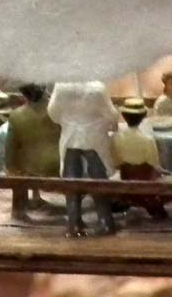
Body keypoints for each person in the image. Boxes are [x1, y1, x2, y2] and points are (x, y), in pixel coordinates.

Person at [47, 81, 119, 237]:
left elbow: (52, 113)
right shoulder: (98, 89)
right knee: (99, 178)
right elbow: (112, 115)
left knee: (71, 179)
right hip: (94, 137)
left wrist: (69, 121)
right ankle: (105, 220)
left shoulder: (61, 86)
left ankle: (73, 222)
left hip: (70, 136)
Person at [5, 83, 61, 220]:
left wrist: (10, 167)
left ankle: (18, 209)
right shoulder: (57, 110)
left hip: (33, 167)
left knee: (19, 161)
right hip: (60, 163)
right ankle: (36, 198)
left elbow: (10, 148)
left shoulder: (16, 116)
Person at [112, 96, 172, 219]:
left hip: (125, 177)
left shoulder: (116, 137)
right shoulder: (147, 139)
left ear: (124, 116)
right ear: (143, 116)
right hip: (147, 180)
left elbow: (116, 162)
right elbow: (154, 164)